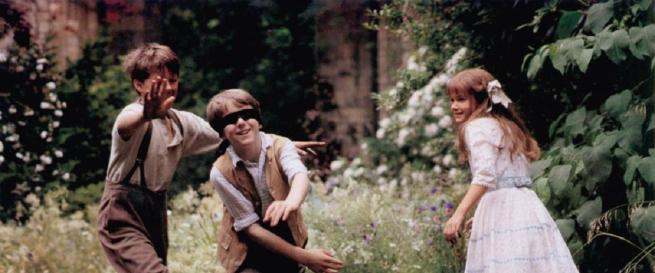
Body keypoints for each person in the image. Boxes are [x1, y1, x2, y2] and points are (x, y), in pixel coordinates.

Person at [96, 43, 324, 273]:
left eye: (173, 81)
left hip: (155, 207)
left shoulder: (181, 122)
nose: (168, 88)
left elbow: (231, 131)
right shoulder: (133, 115)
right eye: (159, 82)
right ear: (138, 84)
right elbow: (124, 126)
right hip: (122, 208)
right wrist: (146, 114)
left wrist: (275, 144)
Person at [442, 68, 579, 273]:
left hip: (504, 208)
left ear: (482, 100)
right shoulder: (507, 126)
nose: (454, 106)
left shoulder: (476, 127)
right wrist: (484, 214)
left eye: (460, 99)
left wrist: (458, 214)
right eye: (452, 100)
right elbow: (509, 173)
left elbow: (486, 175)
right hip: (526, 207)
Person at [206, 89, 344, 273]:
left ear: (259, 122)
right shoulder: (220, 172)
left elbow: (298, 175)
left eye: (247, 115)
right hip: (246, 247)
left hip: (286, 232)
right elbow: (249, 227)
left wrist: (291, 202)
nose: (241, 123)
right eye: (230, 120)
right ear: (221, 133)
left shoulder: (282, 146)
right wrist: (305, 257)